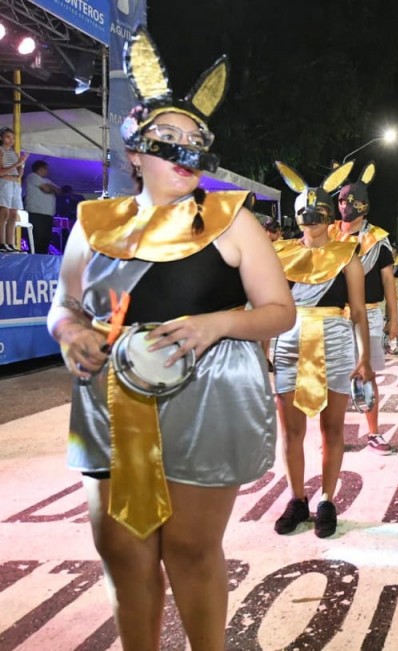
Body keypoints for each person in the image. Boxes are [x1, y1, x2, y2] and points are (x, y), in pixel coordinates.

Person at [45, 29, 295, 650]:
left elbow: (279, 311)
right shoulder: (93, 225)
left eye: (194, 139)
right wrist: (71, 331)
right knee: (122, 551)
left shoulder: (231, 219)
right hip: (108, 400)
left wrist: (217, 324)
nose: (184, 149)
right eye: (169, 139)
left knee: (189, 549)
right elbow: (63, 306)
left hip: (208, 396)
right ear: (134, 154)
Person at [270, 160, 372, 538]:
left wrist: (364, 358)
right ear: (296, 216)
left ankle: (327, 498)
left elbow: (358, 311)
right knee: (291, 431)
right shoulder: (278, 253)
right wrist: (263, 350)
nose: (311, 220)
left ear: (330, 215)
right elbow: (268, 307)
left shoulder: (348, 255)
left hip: (335, 343)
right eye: (304, 213)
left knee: (333, 430)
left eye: (318, 213)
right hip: (288, 343)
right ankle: (297, 499)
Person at [328, 161, 398, 454]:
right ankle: (333, 436)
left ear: (365, 207)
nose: (346, 205)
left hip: (368, 314)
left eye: (352, 200)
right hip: (332, 316)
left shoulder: (378, 241)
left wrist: (393, 320)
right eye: (342, 199)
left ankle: (373, 432)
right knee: (333, 378)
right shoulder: (328, 234)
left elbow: (389, 284)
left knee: (366, 374)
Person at [0, 127, 29, 252]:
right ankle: (1, 243)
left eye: (13, 138)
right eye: (8, 137)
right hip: (4, 183)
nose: (11, 140)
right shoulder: (1, 151)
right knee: (4, 213)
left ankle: (10, 243)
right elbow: (1, 172)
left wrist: (22, 163)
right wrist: (17, 164)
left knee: (13, 214)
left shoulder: (13, 152)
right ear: (1, 138)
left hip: (15, 183)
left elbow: (19, 173)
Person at [24, 159, 60, 254]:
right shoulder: (32, 176)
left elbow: (59, 191)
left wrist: (50, 186)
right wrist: (51, 187)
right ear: (40, 169)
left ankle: (41, 260)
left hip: (47, 215)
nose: (47, 171)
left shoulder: (47, 180)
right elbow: (46, 189)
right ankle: (34, 260)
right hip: (36, 213)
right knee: (36, 240)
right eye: (46, 169)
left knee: (45, 239)